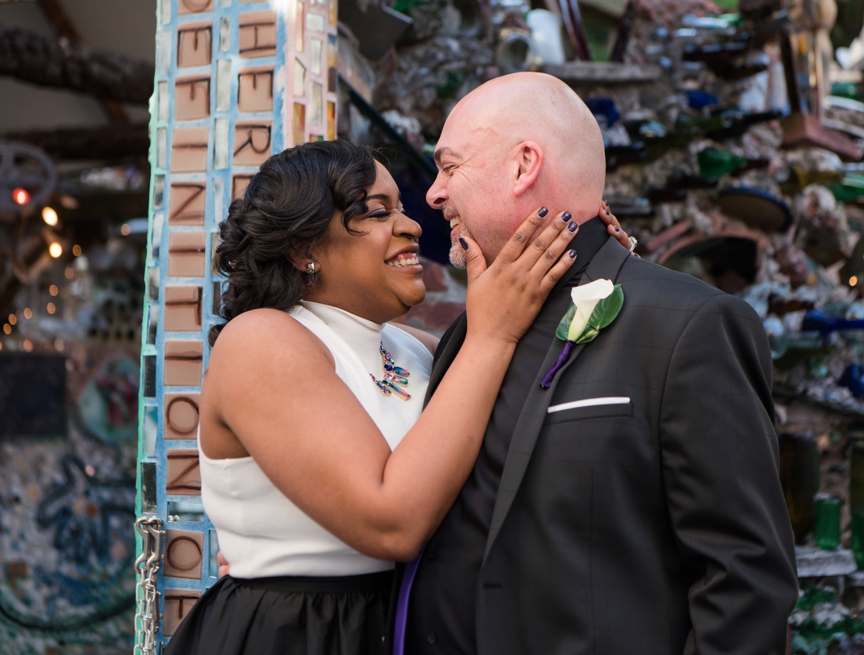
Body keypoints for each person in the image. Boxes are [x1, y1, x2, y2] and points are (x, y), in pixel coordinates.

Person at [163, 139, 629, 655]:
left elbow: (527, 380)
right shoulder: (260, 341)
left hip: (411, 621)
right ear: (303, 248)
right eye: (378, 211)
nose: (409, 226)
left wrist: (601, 270)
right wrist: (491, 334)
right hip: (303, 634)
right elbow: (392, 523)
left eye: (401, 209)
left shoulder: (411, 350)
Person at [396, 72, 799, 655]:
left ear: (523, 165)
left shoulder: (686, 325)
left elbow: (746, 583)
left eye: (449, 167)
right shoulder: (466, 336)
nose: (433, 194)